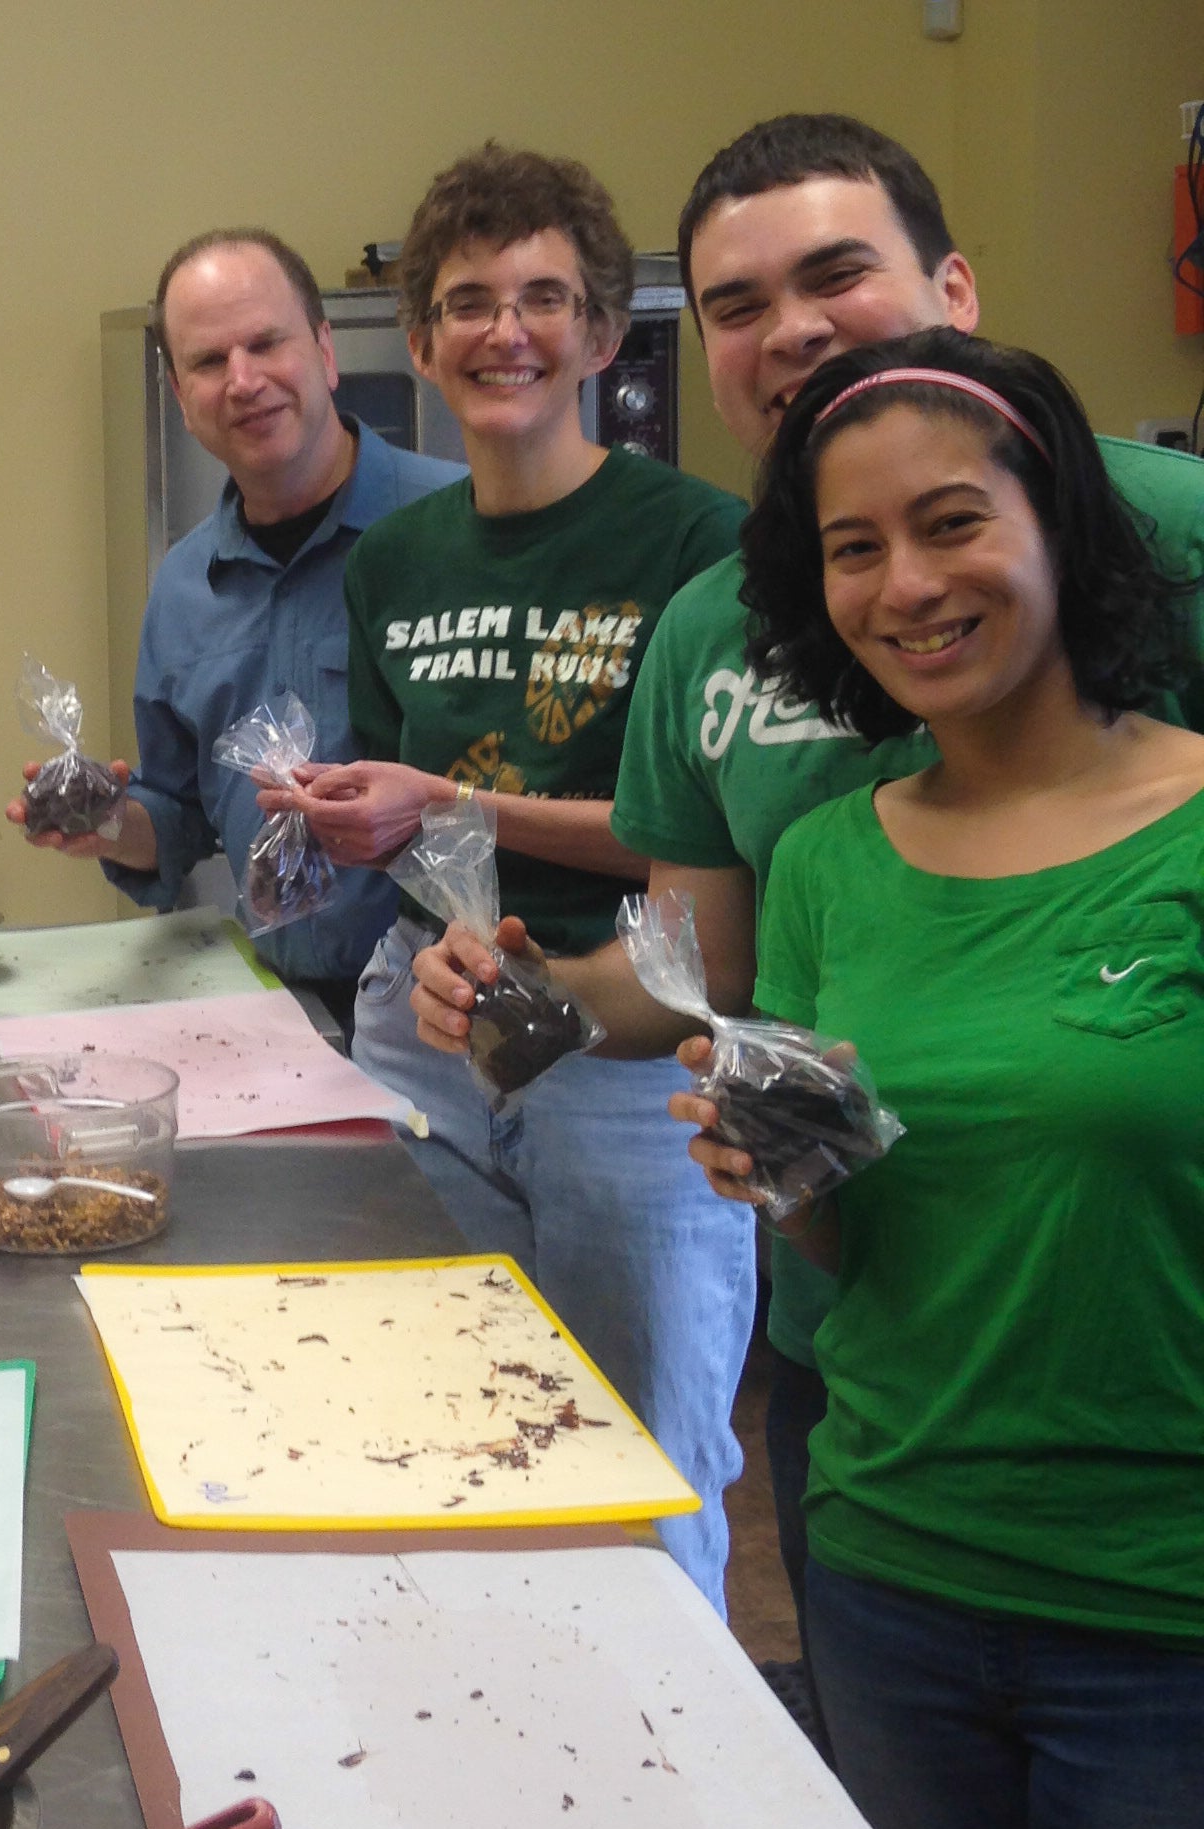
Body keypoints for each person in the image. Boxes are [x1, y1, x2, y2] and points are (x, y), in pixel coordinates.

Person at [403, 115, 1204, 1674]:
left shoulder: (1169, 537)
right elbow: (701, 965)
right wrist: (532, 1001)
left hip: (1139, 1390)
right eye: (739, 305)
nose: (796, 330)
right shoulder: (716, 628)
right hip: (869, 1363)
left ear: (957, 288)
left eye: (839, 274)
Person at [676, 328, 1204, 1829]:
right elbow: (860, 1244)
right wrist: (780, 1174)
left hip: (1160, 1604)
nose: (906, 582)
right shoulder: (829, 857)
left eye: (953, 520)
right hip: (889, 1567)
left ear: (1057, 525)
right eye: (854, 546)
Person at [261, 145, 755, 1614]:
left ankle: (700, 1808)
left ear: (605, 334)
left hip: (630, 1053)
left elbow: (708, 835)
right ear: (419, 343)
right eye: (468, 302)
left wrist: (459, 797)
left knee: (647, 1464)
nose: (504, 331)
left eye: (545, 297)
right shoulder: (395, 560)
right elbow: (415, 815)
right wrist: (343, 816)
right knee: (446, 1435)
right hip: (429, 1034)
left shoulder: (697, 545)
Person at [7, 229, 460, 1030]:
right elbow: (176, 818)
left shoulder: (457, 529)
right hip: (279, 1015)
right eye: (210, 362)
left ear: (324, 352)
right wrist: (107, 823)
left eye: (265, 343)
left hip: (445, 1012)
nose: (243, 381)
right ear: (180, 397)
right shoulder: (184, 585)